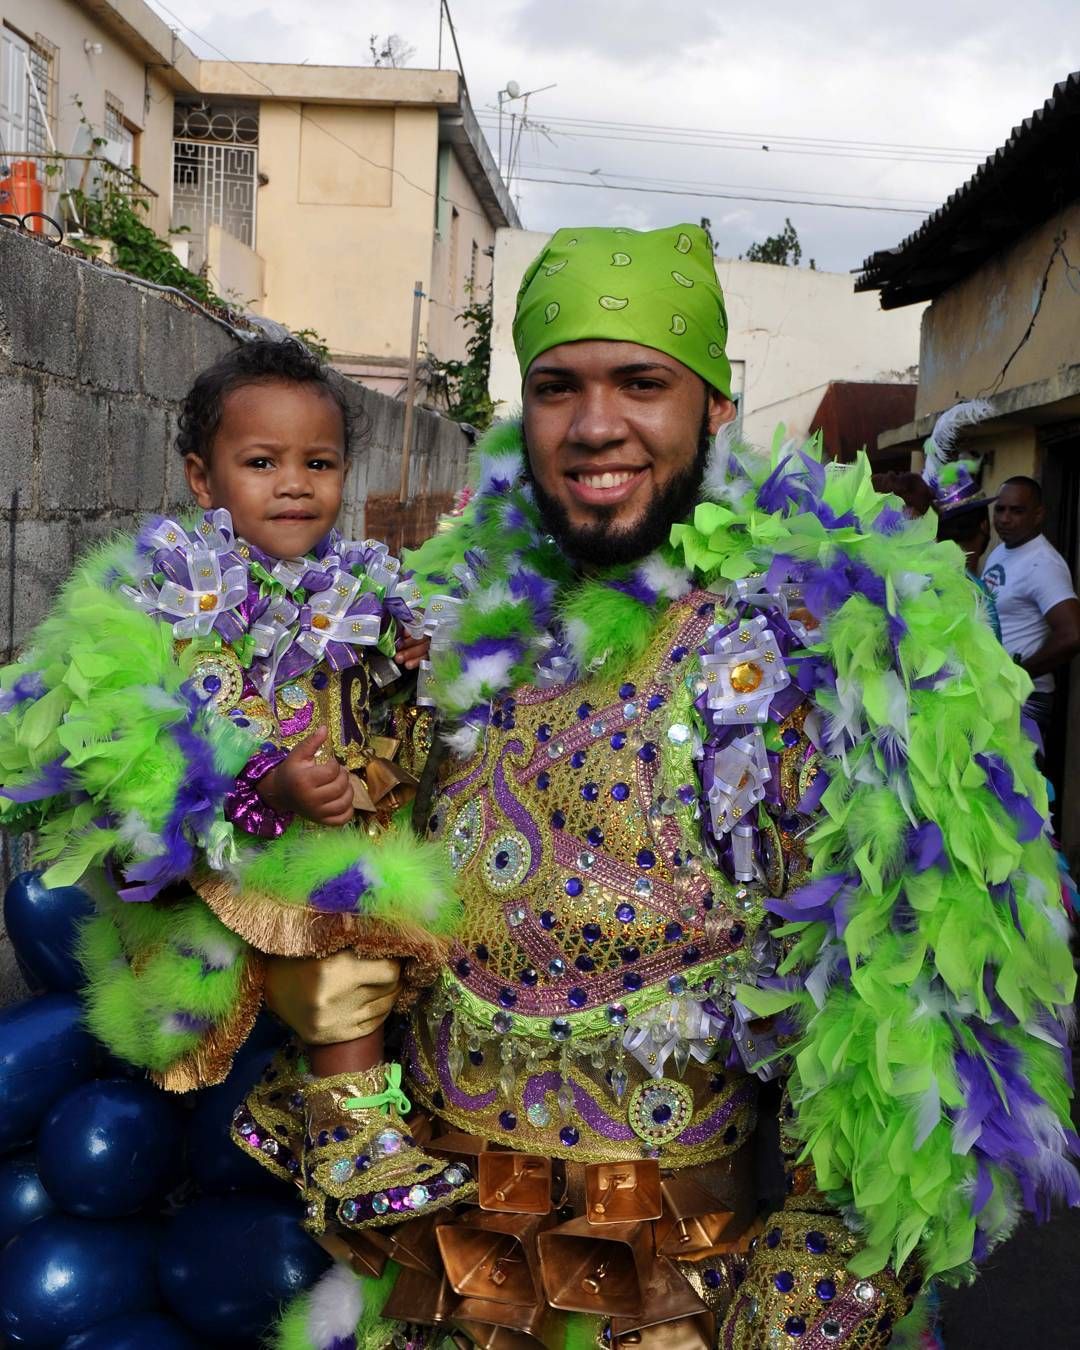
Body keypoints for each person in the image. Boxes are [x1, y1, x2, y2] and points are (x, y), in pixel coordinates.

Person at [252, 225, 1077, 1350]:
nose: (597, 426)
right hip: (430, 1276)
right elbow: (328, 895)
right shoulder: (438, 632)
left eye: (641, 383)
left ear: (714, 410)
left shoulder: (819, 653)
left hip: (688, 1297)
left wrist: (803, 1306)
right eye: (558, 389)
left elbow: (910, 1033)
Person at [0, 337, 472, 1238]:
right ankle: (348, 1130)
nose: (294, 484)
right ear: (203, 479)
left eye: (319, 463)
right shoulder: (167, 592)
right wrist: (267, 781)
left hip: (332, 835)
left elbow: (403, 705)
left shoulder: (359, 583)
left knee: (397, 923)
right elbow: (138, 749)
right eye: (262, 463)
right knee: (345, 932)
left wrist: (413, 659)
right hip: (207, 865)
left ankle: (316, 1104)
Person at [980, 476, 1080, 738]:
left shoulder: (1044, 565)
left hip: (1025, 699)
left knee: (1018, 779)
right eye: (1000, 509)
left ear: (1038, 515)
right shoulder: (1001, 551)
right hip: (994, 693)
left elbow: (1072, 635)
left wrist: (1018, 674)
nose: (1004, 518)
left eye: (1017, 510)